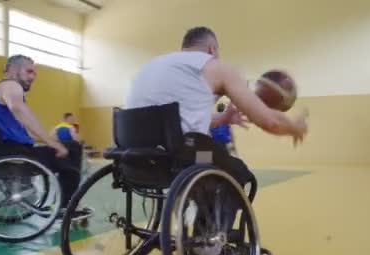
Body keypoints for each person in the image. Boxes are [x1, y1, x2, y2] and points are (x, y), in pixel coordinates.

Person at [125, 26, 308, 186]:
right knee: (237, 171)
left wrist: (221, 119)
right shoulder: (215, 67)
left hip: (131, 154)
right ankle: (213, 223)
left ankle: (194, 205)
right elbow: (270, 121)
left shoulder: (154, 65)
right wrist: (295, 127)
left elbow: (174, 121)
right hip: (184, 156)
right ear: (212, 49)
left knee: (209, 153)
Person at [0, 54, 87, 217]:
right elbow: (18, 109)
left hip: (8, 153)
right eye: (29, 71)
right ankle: (66, 205)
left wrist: (46, 141)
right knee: (73, 148)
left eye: (34, 73)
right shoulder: (10, 85)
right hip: (17, 156)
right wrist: (53, 143)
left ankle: (64, 202)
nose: (33, 77)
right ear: (11, 70)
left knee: (62, 151)